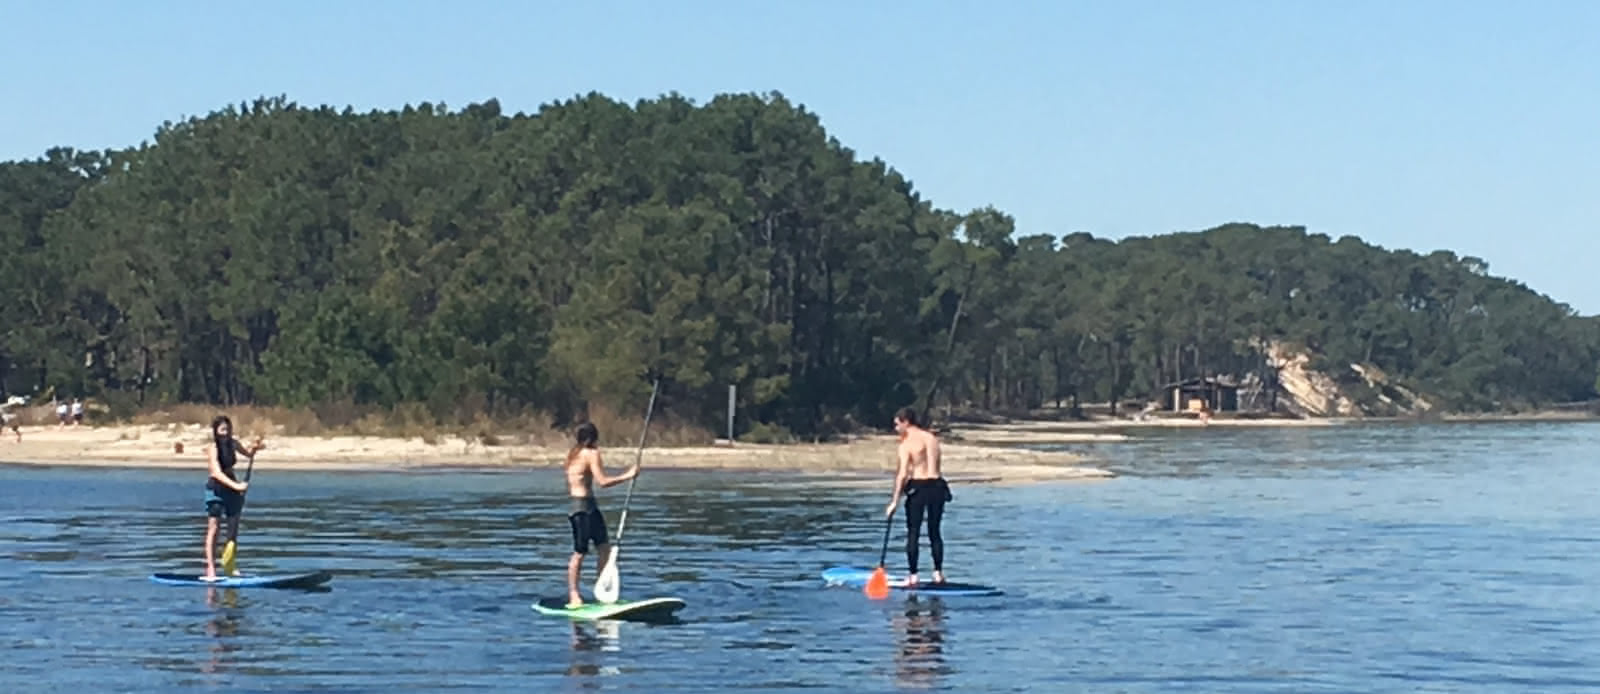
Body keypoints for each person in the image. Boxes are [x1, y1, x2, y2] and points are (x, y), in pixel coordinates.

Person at [563, 421, 639, 607]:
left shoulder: (573, 454)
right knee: (580, 552)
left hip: (586, 508)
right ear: (592, 438)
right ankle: (574, 595)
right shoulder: (590, 454)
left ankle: (603, 591)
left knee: (604, 548)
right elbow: (602, 482)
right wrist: (628, 475)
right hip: (582, 509)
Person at [884, 406, 951, 585]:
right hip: (937, 486)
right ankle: (938, 573)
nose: (896, 429)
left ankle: (913, 575)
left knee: (913, 532)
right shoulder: (932, 438)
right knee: (934, 531)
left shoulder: (907, 444)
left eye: (897, 425)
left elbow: (903, 474)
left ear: (906, 422)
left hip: (919, 487)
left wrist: (894, 501)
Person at [202, 415, 264, 580]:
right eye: (222, 429)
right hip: (216, 490)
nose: (226, 433)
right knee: (214, 528)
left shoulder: (233, 443)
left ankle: (229, 564)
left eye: (228, 429)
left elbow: (248, 454)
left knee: (233, 529)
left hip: (233, 491)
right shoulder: (212, 448)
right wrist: (237, 486)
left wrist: (255, 449)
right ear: (216, 431)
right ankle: (210, 568)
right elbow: (216, 472)